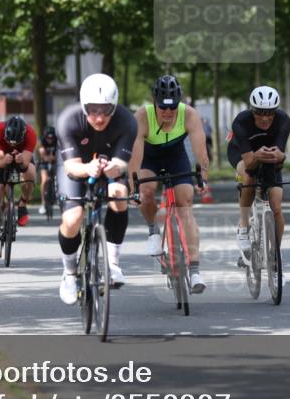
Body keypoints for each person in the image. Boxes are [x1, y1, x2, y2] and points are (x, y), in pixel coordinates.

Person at [55, 73, 138, 305]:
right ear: (83, 106)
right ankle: (70, 273)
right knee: (73, 218)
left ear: (115, 107)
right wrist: (88, 168)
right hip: (76, 169)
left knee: (119, 195)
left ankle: (112, 264)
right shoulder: (69, 119)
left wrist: (113, 168)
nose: (99, 118)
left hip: (109, 167)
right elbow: (71, 167)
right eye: (92, 110)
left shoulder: (127, 121)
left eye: (106, 110)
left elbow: (123, 162)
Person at [129, 75, 212, 294]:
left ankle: (194, 270)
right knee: (146, 191)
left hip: (176, 157)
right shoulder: (142, 117)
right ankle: (153, 230)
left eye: (172, 107)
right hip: (150, 157)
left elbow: (200, 150)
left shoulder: (189, 114)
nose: (167, 112)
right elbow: (135, 158)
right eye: (162, 107)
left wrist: (204, 177)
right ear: (154, 102)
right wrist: (133, 187)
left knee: (185, 200)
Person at [228, 85, 290, 255]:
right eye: (260, 114)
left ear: (276, 112)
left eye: (270, 113)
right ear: (252, 111)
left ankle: (274, 254)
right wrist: (257, 156)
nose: (265, 119)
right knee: (249, 179)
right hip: (243, 154)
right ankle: (243, 227)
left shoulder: (283, 120)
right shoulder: (241, 121)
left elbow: (279, 159)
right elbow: (249, 163)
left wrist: (281, 157)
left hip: (268, 156)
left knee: (276, 205)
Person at [0, 116, 37, 257]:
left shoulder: (30, 134)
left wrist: (21, 160)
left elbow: (25, 165)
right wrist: (5, 160)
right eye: (10, 141)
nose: (13, 144)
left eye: (17, 142)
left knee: (30, 176)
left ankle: (22, 203)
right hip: (2, 157)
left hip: (22, 156)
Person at [36, 126, 59, 214]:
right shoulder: (41, 141)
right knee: (45, 179)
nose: (50, 139)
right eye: (48, 138)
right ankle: (43, 202)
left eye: (51, 137)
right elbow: (42, 153)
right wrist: (46, 157)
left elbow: (59, 153)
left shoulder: (58, 140)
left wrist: (54, 158)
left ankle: (57, 195)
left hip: (55, 162)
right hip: (44, 162)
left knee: (59, 177)